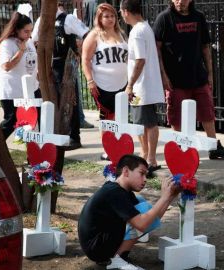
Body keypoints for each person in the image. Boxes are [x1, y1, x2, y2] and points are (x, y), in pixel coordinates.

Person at [153, 0, 224, 160]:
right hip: (175, 79)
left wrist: (210, 73)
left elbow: (205, 46)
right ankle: (180, 147)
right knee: (176, 114)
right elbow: (157, 49)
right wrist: (163, 75)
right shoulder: (164, 18)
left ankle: (213, 146)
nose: (179, 2)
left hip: (198, 75)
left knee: (207, 111)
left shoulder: (199, 17)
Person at [78, 155, 181, 270]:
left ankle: (119, 256)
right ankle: (117, 260)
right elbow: (142, 223)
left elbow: (151, 220)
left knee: (142, 206)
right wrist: (163, 198)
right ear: (126, 171)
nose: (145, 179)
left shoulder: (122, 191)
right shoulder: (114, 192)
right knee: (142, 210)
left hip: (100, 242)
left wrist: (169, 197)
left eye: (146, 175)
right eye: (141, 173)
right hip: (97, 248)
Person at [32, 1, 89, 150]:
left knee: (70, 100)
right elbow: (33, 40)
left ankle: (74, 137)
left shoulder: (68, 19)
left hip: (66, 65)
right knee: (52, 101)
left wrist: (81, 50)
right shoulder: (41, 20)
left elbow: (87, 33)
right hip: (48, 66)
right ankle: (58, 135)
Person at [120, 0, 165, 176]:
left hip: (141, 86)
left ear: (125, 12)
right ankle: (146, 156)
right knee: (145, 123)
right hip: (146, 84)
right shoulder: (145, 28)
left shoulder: (137, 32)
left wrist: (130, 84)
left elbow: (140, 60)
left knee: (144, 123)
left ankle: (149, 158)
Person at [81, 3, 128, 160]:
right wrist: (89, 80)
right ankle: (108, 149)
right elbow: (86, 60)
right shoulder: (94, 35)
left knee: (120, 117)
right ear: (99, 18)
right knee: (107, 118)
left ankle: (119, 146)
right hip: (102, 84)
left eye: (112, 16)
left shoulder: (120, 33)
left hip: (122, 84)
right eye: (106, 16)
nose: (110, 19)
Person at [0, 11, 39, 139]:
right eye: (26, 31)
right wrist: (20, 51)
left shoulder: (29, 42)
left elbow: (32, 61)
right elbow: (6, 66)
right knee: (11, 122)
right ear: (16, 30)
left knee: (34, 122)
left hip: (32, 89)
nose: (29, 35)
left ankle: (32, 153)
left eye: (31, 31)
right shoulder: (7, 44)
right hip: (12, 91)